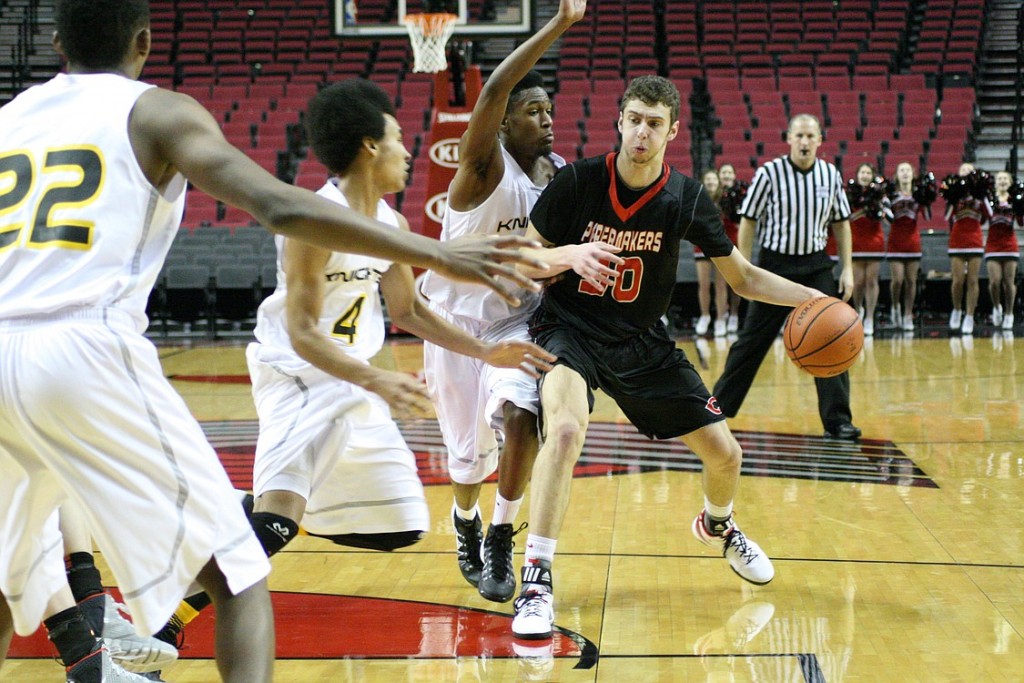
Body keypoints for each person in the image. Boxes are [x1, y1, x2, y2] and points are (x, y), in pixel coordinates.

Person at [0, 2, 546, 681]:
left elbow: (404, 306)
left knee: (8, 577)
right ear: (144, 41)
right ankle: (177, 601)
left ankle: (243, 518)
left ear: (55, 43)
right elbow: (282, 206)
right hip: (96, 346)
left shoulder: (11, 117)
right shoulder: (156, 112)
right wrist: (447, 257)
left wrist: (473, 345)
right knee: (241, 572)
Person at [153, 78, 557, 645]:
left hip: (354, 386)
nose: (408, 150)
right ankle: (167, 618)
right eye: (397, 138)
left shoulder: (388, 224)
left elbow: (409, 308)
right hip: (297, 375)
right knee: (275, 525)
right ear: (370, 147)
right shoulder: (315, 220)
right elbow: (300, 333)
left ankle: (242, 517)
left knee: (399, 528)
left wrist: (486, 350)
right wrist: (376, 378)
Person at [508, 76, 827, 640]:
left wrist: (815, 299)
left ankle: (718, 526)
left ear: (673, 131)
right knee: (562, 433)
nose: (641, 131)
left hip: (641, 342)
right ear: (620, 121)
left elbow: (745, 277)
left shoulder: (685, 199)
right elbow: (520, 258)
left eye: (654, 123)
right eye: (633, 118)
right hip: (569, 331)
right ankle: (536, 579)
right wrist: (570, 254)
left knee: (726, 455)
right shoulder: (579, 180)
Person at [419, 0, 586, 604]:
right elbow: (494, 86)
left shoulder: (559, 175)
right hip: (451, 323)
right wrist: (561, 23)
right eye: (531, 110)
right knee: (466, 463)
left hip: (516, 323)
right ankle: (465, 519)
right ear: (504, 122)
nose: (545, 119)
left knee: (522, 420)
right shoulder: (484, 166)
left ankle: (499, 532)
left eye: (549, 110)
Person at [713, 114, 860, 441]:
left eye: (811, 136)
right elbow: (748, 220)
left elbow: (842, 223)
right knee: (751, 341)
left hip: (817, 267)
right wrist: (744, 266)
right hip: (774, 268)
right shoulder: (769, 173)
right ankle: (716, 412)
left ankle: (838, 421)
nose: (805, 142)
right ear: (789, 139)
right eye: (799, 136)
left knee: (831, 341)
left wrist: (847, 268)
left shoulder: (829, 174)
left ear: (820, 140)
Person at [886, 162, 935, 332]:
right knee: (897, 280)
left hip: (912, 242)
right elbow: (886, 218)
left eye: (908, 170)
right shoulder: (891, 194)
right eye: (901, 170)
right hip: (895, 242)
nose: (905, 173)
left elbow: (928, 217)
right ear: (897, 175)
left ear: (913, 174)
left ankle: (908, 314)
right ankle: (894, 307)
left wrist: (927, 200)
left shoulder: (919, 194)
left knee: (910, 281)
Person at [944, 162, 989, 336]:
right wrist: (953, 197)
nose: (966, 172)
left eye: (969, 170)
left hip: (975, 239)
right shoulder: (954, 193)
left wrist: (982, 195)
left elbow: (988, 216)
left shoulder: (980, 193)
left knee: (972, 280)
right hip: (957, 239)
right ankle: (956, 309)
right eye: (963, 169)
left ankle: (969, 316)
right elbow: (947, 216)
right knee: (957, 280)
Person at [846, 163, 888, 336]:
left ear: (872, 176)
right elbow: (843, 218)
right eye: (862, 172)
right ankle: (857, 311)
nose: (864, 175)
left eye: (868, 172)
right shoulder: (849, 195)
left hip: (874, 240)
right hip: (855, 240)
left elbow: (889, 218)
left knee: (871, 280)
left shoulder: (879, 194)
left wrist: (879, 207)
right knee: (858, 281)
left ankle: (870, 317)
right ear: (857, 175)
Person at [693, 169, 731, 337]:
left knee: (721, 285)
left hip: (720, 247)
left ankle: (721, 319)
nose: (710, 182)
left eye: (713, 180)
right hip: (702, 246)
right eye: (707, 180)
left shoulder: (725, 201)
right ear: (703, 182)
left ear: (718, 182)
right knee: (703, 284)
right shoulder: (698, 200)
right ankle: (705, 315)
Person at [985, 171, 1020, 330]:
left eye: (1006, 178)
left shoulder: (1015, 200)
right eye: (1000, 179)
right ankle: (997, 306)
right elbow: (983, 218)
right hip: (993, 245)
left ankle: (1009, 313)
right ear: (995, 182)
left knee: (1009, 282)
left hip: (1009, 244)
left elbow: (1021, 222)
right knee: (994, 281)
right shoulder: (989, 199)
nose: (1002, 181)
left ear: (1010, 182)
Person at [716, 163, 745, 333]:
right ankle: (721, 316)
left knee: (736, 281)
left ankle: (734, 315)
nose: (726, 175)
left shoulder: (739, 193)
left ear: (734, 175)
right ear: (719, 176)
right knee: (720, 282)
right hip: (719, 242)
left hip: (735, 240)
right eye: (724, 172)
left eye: (729, 172)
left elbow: (740, 218)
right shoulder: (713, 193)